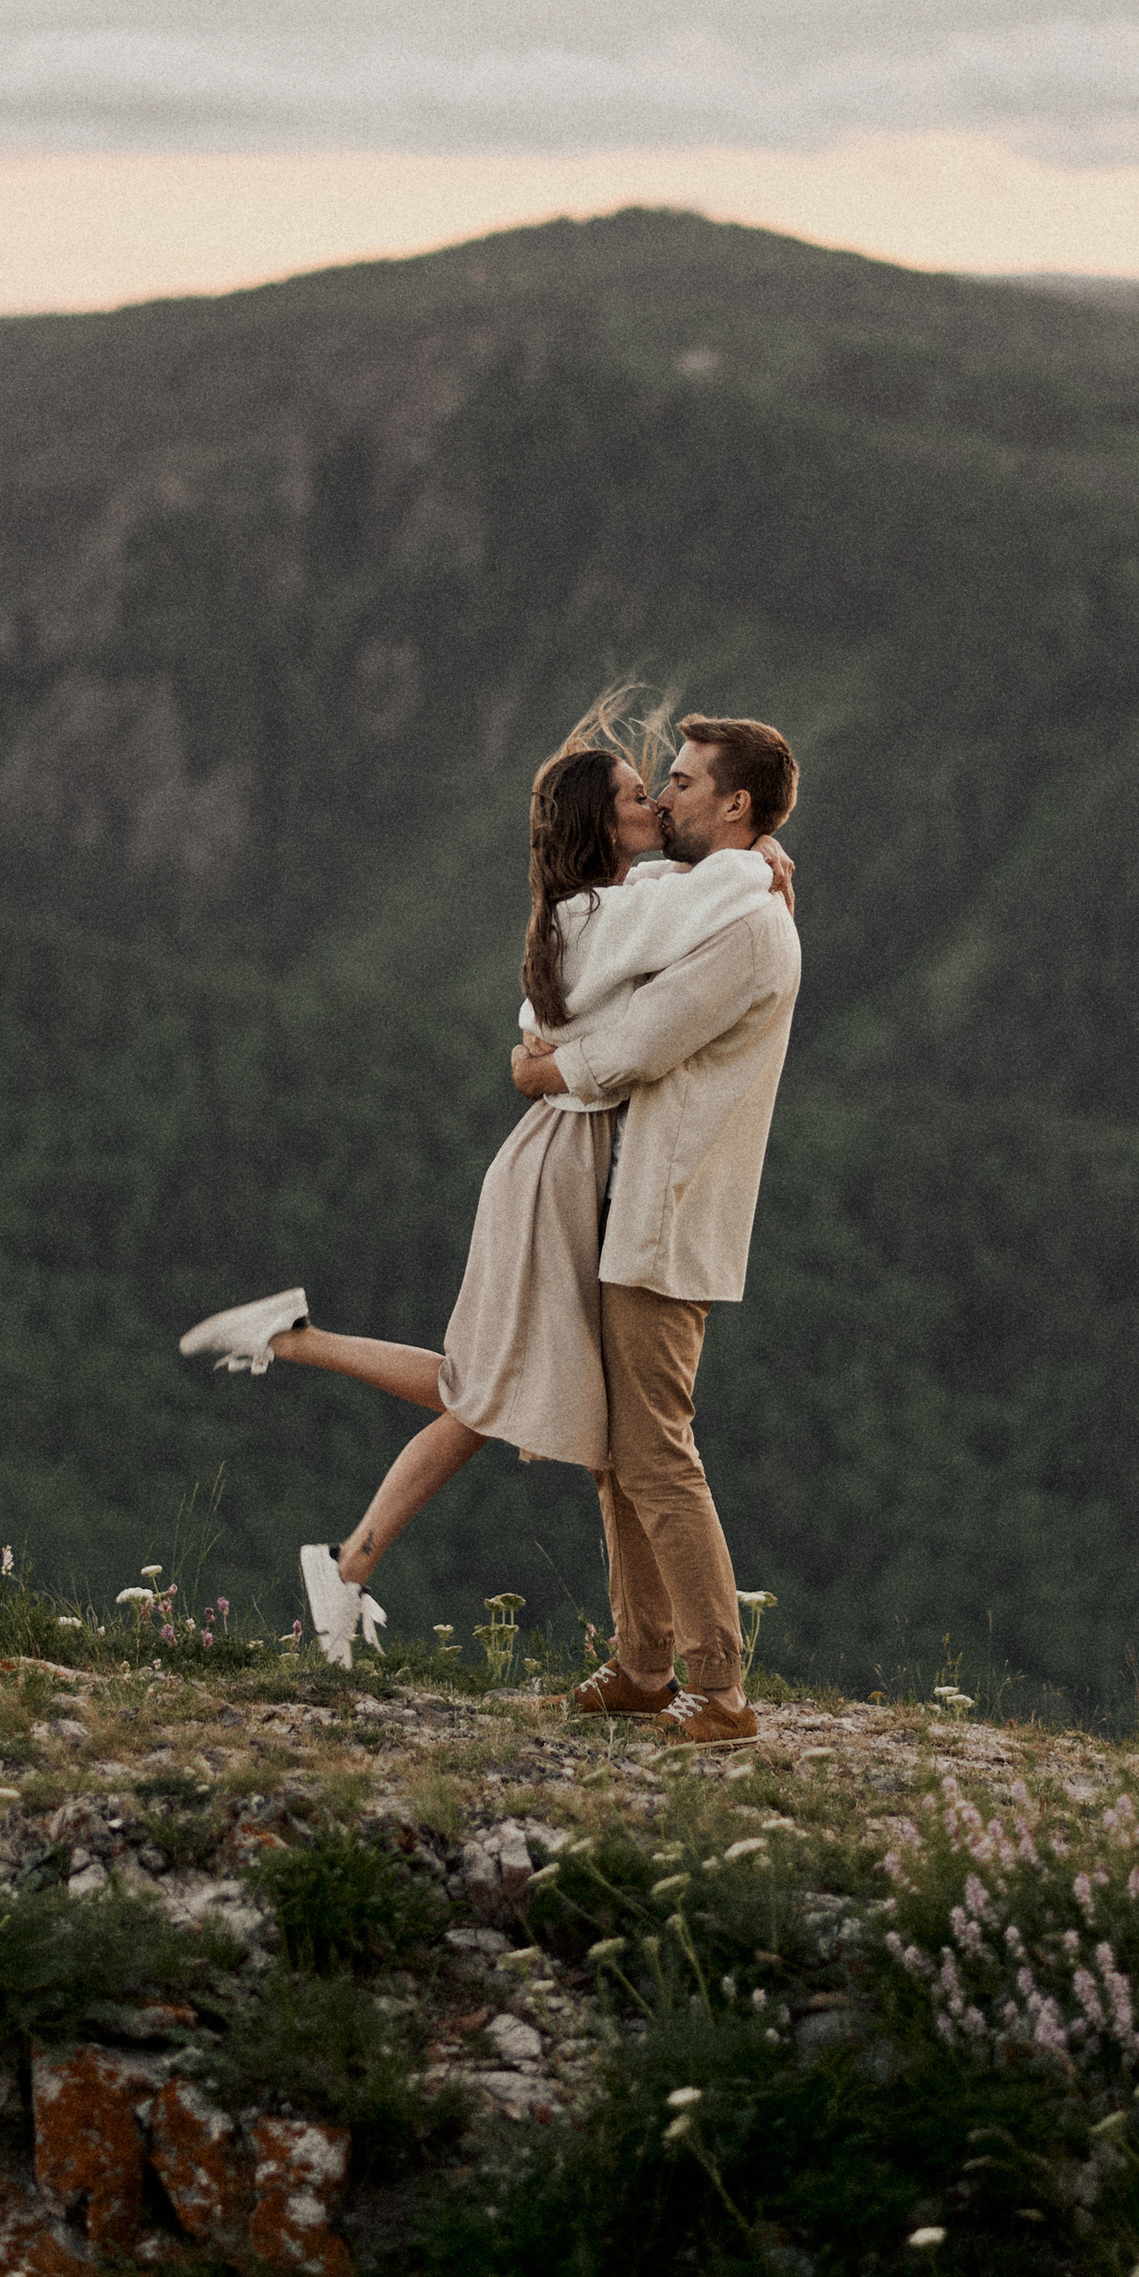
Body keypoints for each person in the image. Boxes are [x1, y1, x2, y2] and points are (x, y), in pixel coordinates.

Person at [178, 698, 794, 1672]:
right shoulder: (607, 916)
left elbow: (671, 914)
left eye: (667, 787)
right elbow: (650, 986)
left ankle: (304, 1388)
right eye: (639, 795)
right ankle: (342, 1547)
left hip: (571, 1160)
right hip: (561, 1165)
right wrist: (756, 863)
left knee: (484, 1388)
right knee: (483, 1392)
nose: (655, 802)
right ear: (604, 825)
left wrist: (753, 861)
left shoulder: (608, 907)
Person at [510, 714, 802, 1748]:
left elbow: (641, 1041)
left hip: (668, 1214)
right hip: (634, 1203)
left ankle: (719, 1687)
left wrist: (544, 1069)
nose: (664, 795)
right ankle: (643, 1662)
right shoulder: (711, 899)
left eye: (680, 781)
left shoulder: (746, 928)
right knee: (616, 1453)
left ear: (735, 803)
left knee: (657, 1452)